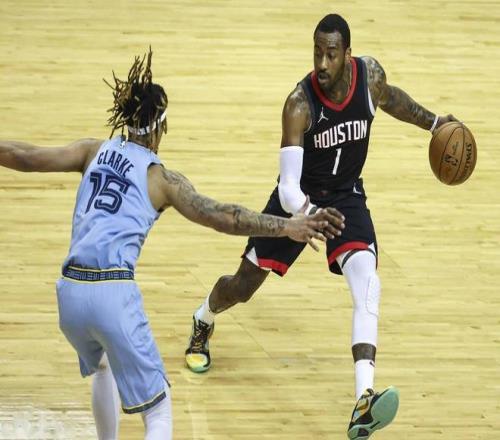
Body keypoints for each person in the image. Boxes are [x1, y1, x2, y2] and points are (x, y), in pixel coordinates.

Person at [0, 49, 346, 440]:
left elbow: (25, 157)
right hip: (111, 292)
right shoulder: (161, 179)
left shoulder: (91, 150)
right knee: (159, 410)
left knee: (103, 365)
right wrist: (288, 227)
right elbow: (224, 217)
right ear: (160, 126)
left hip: (69, 294)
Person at [185, 13, 458, 439]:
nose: (322, 63)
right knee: (242, 286)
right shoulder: (299, 104)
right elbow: (288, 188)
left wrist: (436, 123)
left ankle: (364, 400)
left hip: (346, 197)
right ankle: (203, 318)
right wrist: (308, 214)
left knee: (367, 283)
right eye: (317, 53)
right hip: (299, 204)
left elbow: (391, 99)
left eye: (331, 54)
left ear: (348, 54)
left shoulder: (370, 78)